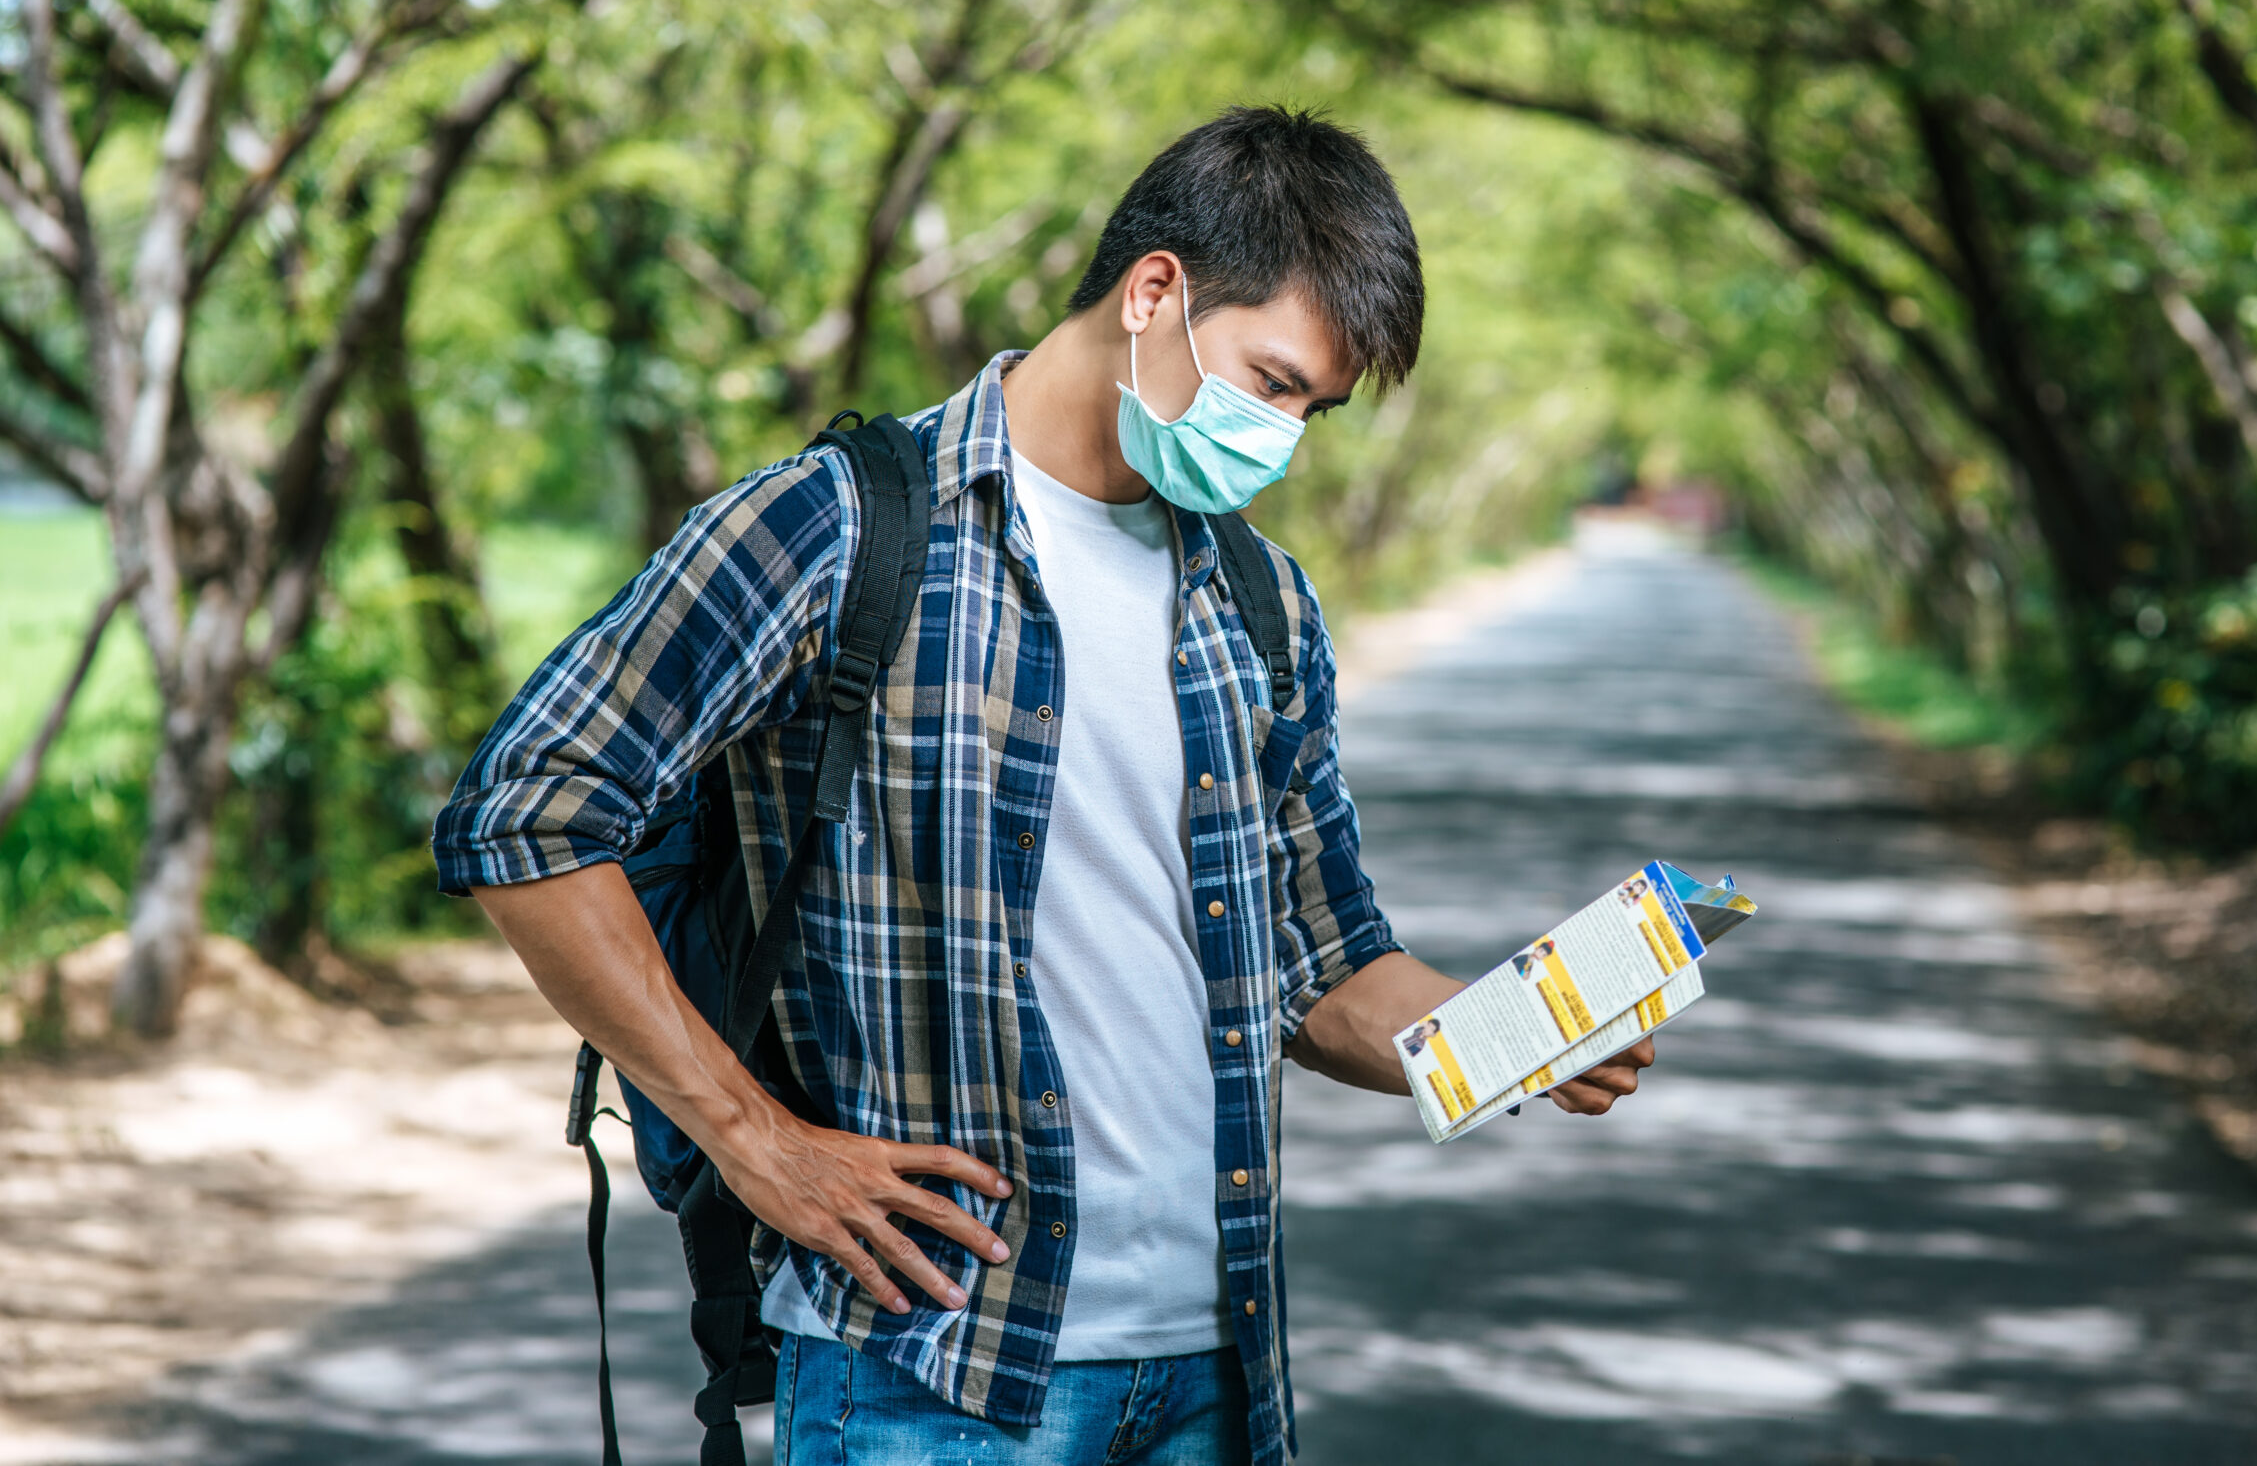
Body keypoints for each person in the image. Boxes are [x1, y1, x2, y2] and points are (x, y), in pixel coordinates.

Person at [432, 108, 1656, 1466]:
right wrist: (754, 1139)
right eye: (1271, 380)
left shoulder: (1257, 603)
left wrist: (1522, 1030)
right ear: (1155, 293)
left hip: (1214, 1370)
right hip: (928, 1370)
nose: (1283, 435)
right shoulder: (841, 531)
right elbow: (528, 806)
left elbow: (1321, 972)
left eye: (1311, 409)